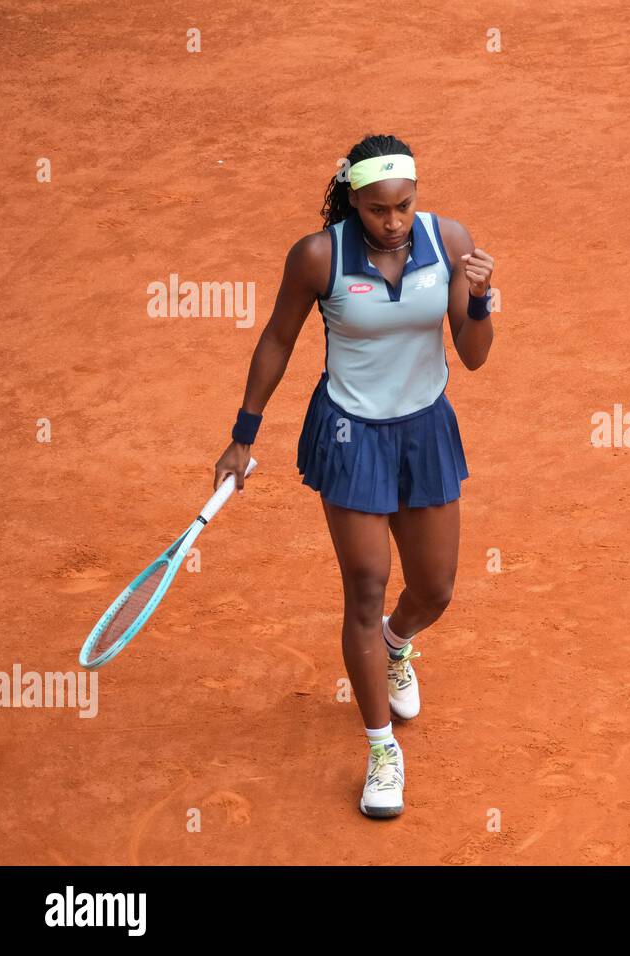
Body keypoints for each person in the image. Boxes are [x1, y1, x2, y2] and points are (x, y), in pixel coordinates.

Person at [213, 133, 495, 818]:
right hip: (350, 432)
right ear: (352, 201)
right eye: (376, 209)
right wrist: (242, 438)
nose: (393, 221)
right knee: (365, 587)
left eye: (403, 206)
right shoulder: (319, 257)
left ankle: (398, 645)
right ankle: (380, 752)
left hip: (424, 429)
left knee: (434, 590)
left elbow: (475, 355)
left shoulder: (449, 241)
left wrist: (482, 299)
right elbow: (278, 338)